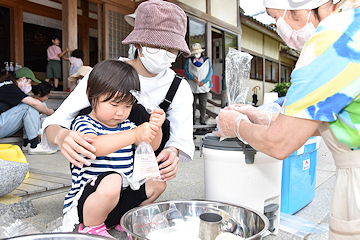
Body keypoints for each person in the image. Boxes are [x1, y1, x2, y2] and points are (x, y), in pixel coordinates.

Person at [214, 0, 360, 239]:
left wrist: (237, 126)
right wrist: (264, 117)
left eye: (274, 18)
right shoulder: (353, 21)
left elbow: (279, 143)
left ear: (299, 8)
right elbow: (335, 118)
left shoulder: (329, 40)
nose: (277, 28)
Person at [42, 0, 193, 196]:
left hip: (143, 171)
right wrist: (61, 136)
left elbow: (180, 138)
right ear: (138, 43)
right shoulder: (106, 73)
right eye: (155, 46)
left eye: (170, 49)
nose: (163, 53)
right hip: (95, 170)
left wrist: (173, 152)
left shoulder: (178, 87)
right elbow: (56, 122)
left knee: (154, 120)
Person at [63, 60, 166, 238]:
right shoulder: (83, 123)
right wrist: (134, 135)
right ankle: (91, 227)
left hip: (119, 199)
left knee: (158, 182)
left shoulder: (127, 125)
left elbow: (153, 146)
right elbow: (95, 146)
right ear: (91, 96)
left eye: (127, 106)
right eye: (114, 105)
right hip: (89, 203)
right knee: (112, 181)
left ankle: (126, 219)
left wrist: (155, 127)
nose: (121, 112)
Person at [0, 67, 56, 154]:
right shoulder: (9, 87)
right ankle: (34, 145)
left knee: (27, 106)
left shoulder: (6, 86)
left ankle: (27, 144)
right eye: (30, 82)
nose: (30, 86)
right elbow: (34, 103)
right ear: (23, 79)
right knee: (28, 106)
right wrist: (49, 112)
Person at [184, 43, 213, 125]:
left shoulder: (207, 60)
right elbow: (186, 71)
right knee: (192, 105)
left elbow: (210, 72)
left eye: (197, 52)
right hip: (192, 86)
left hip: (204, 86)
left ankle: (202, 120)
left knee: (203, 105)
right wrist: (192, 78)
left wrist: (204, 81)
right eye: (195, 53)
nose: (196, 54)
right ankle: (192, 120)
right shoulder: (189, 61)